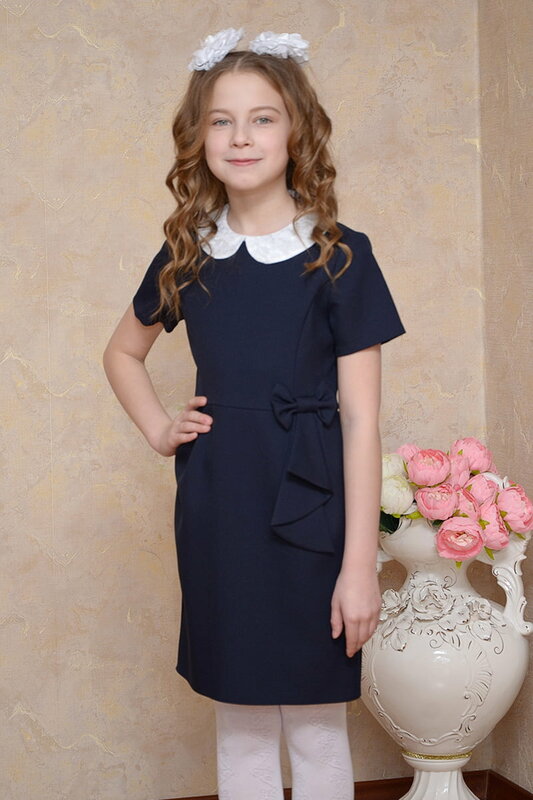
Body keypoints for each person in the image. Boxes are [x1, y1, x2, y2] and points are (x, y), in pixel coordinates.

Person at [103, 28, 406, 800]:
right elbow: (122, 353)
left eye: (262, 118)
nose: (241, 137)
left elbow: (361, 421)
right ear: (198, 137)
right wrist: (160, 428)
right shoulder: (186, 253)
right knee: (238, 719)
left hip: (313, 510)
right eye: (221, 120)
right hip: (219, 506)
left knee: (314, 721)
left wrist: (359, 566)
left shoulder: (341, 255)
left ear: (296, 131)